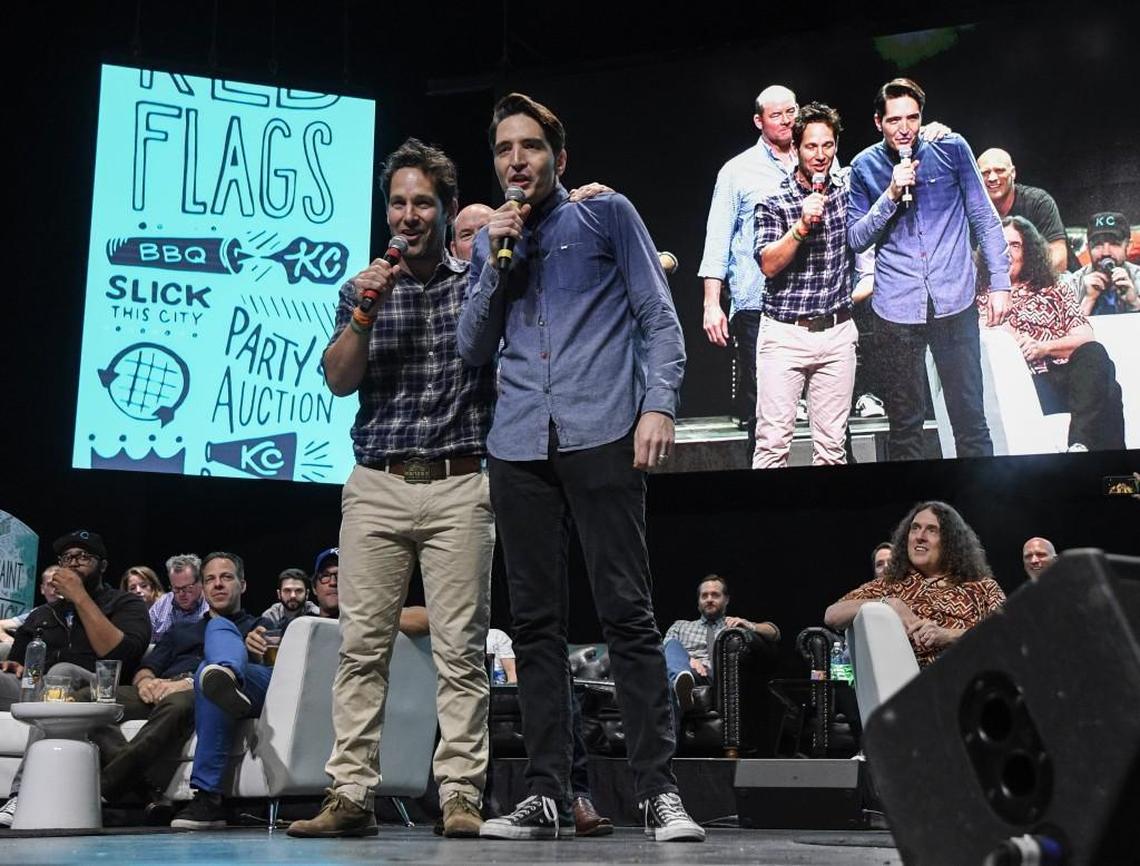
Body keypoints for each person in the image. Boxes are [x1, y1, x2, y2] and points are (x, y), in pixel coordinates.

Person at [459, 92, 703, 842]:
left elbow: (658, 316)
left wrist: (659, 403)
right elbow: (472, 347)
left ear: (558, 158)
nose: (516, 162)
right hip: (518, 443)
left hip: (602, 429)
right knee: (535, 626)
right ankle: (547, 794)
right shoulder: (488, 243)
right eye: (504, 151)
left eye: (529, 147)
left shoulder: (606, 215)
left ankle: (659, 791)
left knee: (627, 614)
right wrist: (497, 260)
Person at [286, 138, 495, 841]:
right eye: (399, 202)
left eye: (422, 202)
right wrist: (366, 312)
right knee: (361, 646)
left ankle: (461, 792)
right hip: (376, 484)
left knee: (460, 650)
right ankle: (350, 795)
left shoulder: (478, 283)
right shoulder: (361, 287)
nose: (409, 214)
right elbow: (339, 378)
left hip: (459, 483)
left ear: (445, 209)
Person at [848, 78, 1010, 461]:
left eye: (913, 118)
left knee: (970, 419)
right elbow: (855, 238)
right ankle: (913, 517)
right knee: (905, 426)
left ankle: (979, 510)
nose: (904, 128)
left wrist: (1001, 283)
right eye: (894, 120)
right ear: (878, 122)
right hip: (896, 310)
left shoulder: (951, 148)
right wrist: (889, 196)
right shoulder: (864, 166)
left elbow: (984, 218)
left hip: (954, 302)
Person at [0, 530, 151, 827]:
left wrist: (80, 597)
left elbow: (123, 654)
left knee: (61, 673)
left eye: (84, 557)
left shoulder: (125, 604)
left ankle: (22, 793)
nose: (74, 563)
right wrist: (12, 666)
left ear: (103, 565)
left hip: (99, 686)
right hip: (36, 686)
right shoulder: (42, 614)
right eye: (68, 558)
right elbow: (17, 662)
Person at [752, 102, 863, 468]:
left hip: (836, 332)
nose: (820, 155)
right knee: (772, 446)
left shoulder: (848, 194)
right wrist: (801, 226)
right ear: (796, 148)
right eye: (811, 146)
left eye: (828, 146)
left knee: (833, 451)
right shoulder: (773, 201)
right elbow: (768, 264)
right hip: (785, 335)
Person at [699, 84, 799, 454]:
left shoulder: (820, 159)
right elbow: (718, 240)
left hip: (814, 304)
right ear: (759, 121)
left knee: (828, 419)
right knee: (764, 413)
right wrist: (712, 303)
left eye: (792, 111)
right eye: (777, 115)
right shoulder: (737, 171)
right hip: (759, 303)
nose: (787, 120)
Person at [979, 216, 1125, 451]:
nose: (1006, 252)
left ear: (1029, 251)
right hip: (1023, 382)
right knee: (1110, 392)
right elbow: (985, 333)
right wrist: (1014, 340)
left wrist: (1043, 347)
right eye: (1000, 245)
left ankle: (1079, 445)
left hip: (1066, 376)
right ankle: (1105, 465)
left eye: (1015, 245)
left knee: (1094, 353)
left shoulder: (1054, 289)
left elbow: (1085, 337)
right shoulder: (982, 294)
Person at [823, 502, 1005, 666]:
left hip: (968, 686)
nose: (920, 536)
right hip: (903, 692)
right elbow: (832, 615)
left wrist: (949, 635)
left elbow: (1010, 632)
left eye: (931, 530)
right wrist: (889, 603)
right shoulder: (890, 585)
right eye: (915, 528)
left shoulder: (982, 588)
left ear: (951, 542)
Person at [664, 575, 778, 714]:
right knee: (672, 644)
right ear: (698, 602)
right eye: (704, 596)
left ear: (726, 600)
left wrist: (750, 625)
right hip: (687, 671)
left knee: (667, 684)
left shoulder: (733, 626)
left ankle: (679, 685)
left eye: (715, 595)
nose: (709, 599)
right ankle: (681, 684)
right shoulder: (681, 625)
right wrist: (688, 659)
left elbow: (774, 632)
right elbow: (663, 650)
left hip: (717, 676)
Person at [976, 148, 1071, 273]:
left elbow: (1059, 258)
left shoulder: (1038, 202)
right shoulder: (973, 211)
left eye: (999, 171)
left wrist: (1021, 284)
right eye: (985, 173)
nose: (992, 178)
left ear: (1013, 173)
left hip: (1048, 282)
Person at [1071, 212, 1140, 316]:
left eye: (1114, 244)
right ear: (1088, 248)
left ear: (1128, 246)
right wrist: (1088, 300)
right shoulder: (1073, 283)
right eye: (1098, 244)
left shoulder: (1138, 276)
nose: (1105, 252)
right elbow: (1062, 330)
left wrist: (1135, 303)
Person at [149, 554, 208, 641]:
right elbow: (145, 635)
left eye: (187, 588)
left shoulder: (211, 606)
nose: (181, 594)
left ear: (200, 582)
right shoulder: (164, 602)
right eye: (176, 588)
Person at [1, 565, 62, 642]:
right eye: (50, 585)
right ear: (42, 589)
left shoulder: (75, 613)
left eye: (59, 585)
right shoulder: (37, 613)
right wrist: (9, 642)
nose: (54, 590)